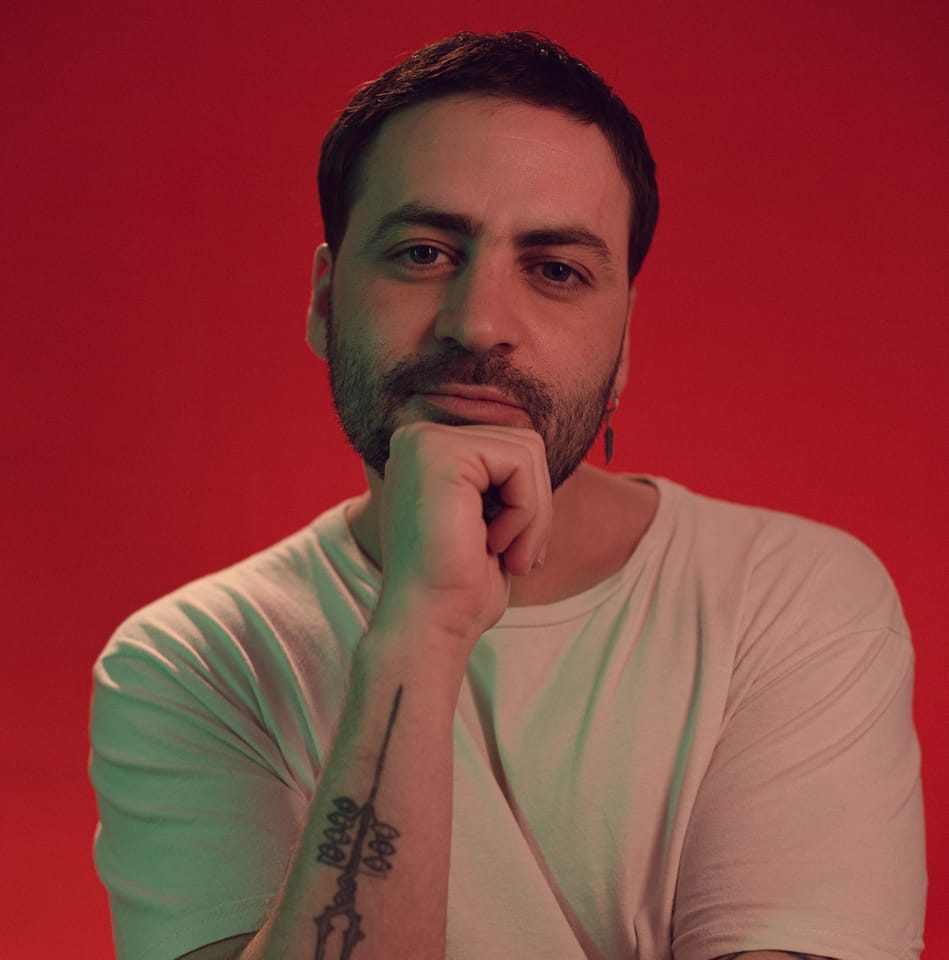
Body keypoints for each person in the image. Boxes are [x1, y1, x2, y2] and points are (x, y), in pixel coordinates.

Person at [89, 31, 926, 960]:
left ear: (623, 346)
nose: (479, 323)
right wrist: (422, 630)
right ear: (325, 301)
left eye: (556, 270)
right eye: (421, 253)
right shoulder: (192, 662)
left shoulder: (790, 599)